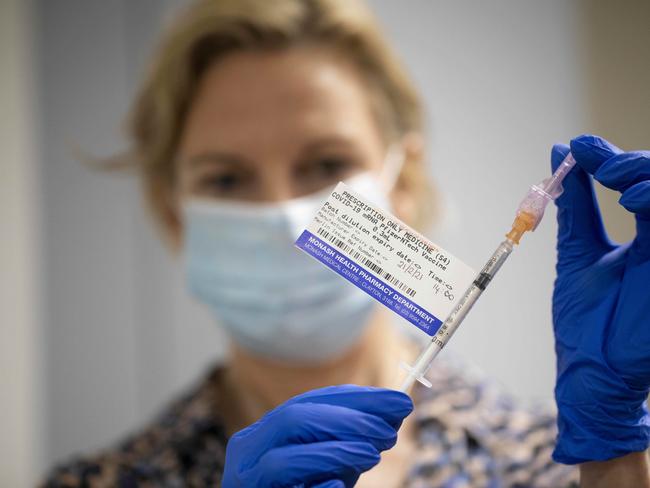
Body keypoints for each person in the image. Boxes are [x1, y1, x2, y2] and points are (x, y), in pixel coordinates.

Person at [44, 0, 650, 486]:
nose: (282, 215)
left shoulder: (555, 466)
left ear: (404, 183)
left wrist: (614, 458)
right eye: (225, 178)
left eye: (326, 161)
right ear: (171, 211)